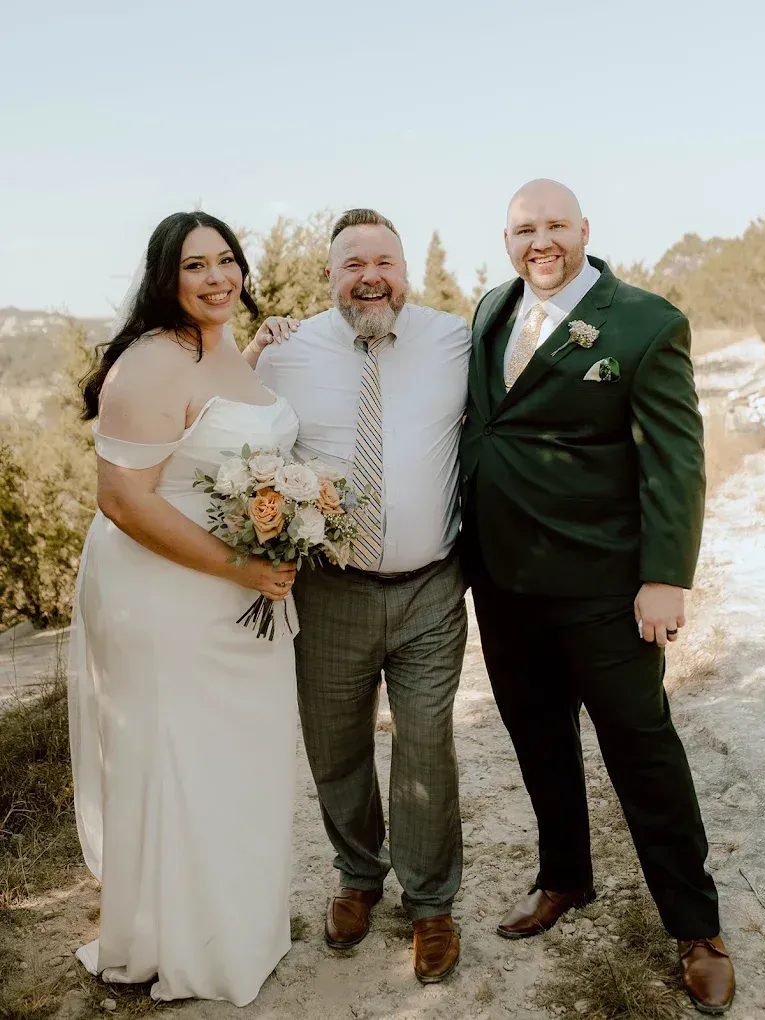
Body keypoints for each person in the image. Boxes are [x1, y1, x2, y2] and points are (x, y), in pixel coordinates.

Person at [459, 179, 735, 1015]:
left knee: (642, 752)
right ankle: (564, 878)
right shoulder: (488, 312)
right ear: (505, 240)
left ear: (584, 229)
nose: (538, 242)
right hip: (503, 585)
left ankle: (697, 928)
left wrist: (664, 579)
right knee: (538, 742)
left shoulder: (645, 322)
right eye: (521, 229)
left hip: (606, 590)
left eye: (553, 226)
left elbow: (675, 461)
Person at [69, 212, 299, 1006]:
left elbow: (217, 431)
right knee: (181, 762)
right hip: (166, 597)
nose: (216, 277)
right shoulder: (150, 360)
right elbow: (123, 499)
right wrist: (243, 565)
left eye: (227, 260)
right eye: (195, 265)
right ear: (165, 277)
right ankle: (178, 944)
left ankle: (238, 929)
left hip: (243, 596)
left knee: (241, 762)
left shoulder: (225, 344)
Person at [244, 208, 470, 983]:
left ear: (405, 271)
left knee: (426, 745)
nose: (370, 276)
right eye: (352, 264)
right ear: (330, 278)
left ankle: (432, 902)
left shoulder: (456, 340)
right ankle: (358, 877)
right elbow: (236, 444)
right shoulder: (286, 353)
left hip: (432, 589)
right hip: (331, 592)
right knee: (335, 745)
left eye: (384, 261)